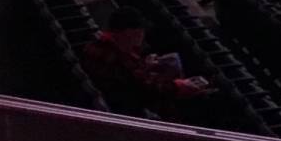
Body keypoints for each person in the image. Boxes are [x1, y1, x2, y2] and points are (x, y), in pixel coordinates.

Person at [80, 14, 213, 104]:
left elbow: (132, 77)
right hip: (130, 105)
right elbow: (149, 89)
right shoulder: (118, 58)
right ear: (129, 32)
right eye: (140, 32)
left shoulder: (98, 44)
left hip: (122, 95)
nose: (142, 36)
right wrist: (181, 85)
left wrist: (145, 65)